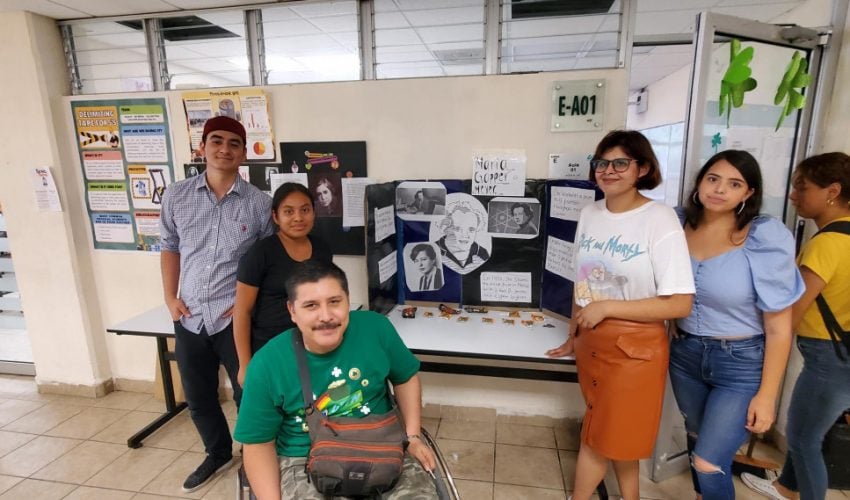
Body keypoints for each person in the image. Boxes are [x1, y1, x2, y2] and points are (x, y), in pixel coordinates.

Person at [545, 130, 695, 500]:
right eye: (601, 163)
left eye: (620, 163)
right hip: (591, 343)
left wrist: (608, 307)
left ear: (643, 168)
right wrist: (572, 333)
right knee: (617, 437)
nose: (608, 171)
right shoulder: (590, 213)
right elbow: (583, 282)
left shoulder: (659, 219)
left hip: (635, 351)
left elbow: (679, 304)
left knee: (597, 437)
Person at [234, 261, 438, 499]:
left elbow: (406, 378)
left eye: (334, 302)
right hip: (303, 456)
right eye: (311, 306)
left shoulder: (376, 329)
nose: (326, 316)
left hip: (382, 443)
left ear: (348, 301)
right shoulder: (267, 363)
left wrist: (412, 437)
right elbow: (257, 444)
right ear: (292, 311)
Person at [669, 150, 803, 500]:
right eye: (712, 179)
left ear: (748, 194)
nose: (719, 190)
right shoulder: (675, 223)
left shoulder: (764, 236)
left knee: (709, 462)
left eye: (734, 184)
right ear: (699, 183)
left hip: (740, 362)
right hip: (684, 354)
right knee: (698, 438)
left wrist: (768, 396)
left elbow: (779, 327)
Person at [159, 116, 273, 493]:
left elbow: (268, 260)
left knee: (249, 394)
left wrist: (247, 304)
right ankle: (218, 452)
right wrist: (170, 297)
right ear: (202, 147)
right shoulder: (176, 195)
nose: (225, 149)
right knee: (198, 396)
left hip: (234, 317)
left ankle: (253, 457)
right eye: (217, 141)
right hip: (189, 315)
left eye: (234, 143)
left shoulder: (260, 204)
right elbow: (170, 248)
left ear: (244, 153)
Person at [742, 152, 850, 500]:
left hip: (828, 359)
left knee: (804, 439)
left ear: (832, 191)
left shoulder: (827, 244)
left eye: (801, 188)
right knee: (811, 429)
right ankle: (786, 487)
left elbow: (790, 313)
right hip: (843, 352)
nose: (793, 196)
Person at [233, 182, 333, 387]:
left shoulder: (322, 248)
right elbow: (241, 311)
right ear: (276, 216)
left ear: (313, 213)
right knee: (276, 407)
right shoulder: (260, 253)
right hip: (271, 347)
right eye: (289, 211)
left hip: (313, 344)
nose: (298, 218)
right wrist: (245, 365)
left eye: (305, 210)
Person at [435, 203, 490, 274]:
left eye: (471, 230)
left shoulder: (482, 254)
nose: (465, 235)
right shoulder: (433, 250)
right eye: (457, 229)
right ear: (445, 229)